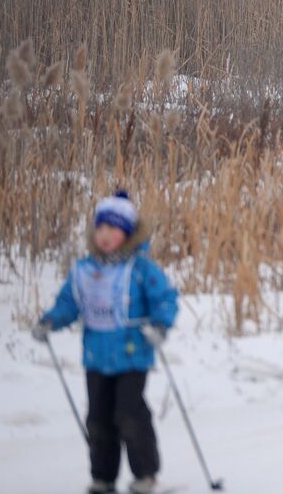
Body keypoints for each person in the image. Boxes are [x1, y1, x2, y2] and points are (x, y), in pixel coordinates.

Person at [31, 192, 178, 494]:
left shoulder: (140, 269)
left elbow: (165, 298)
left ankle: (146, 474)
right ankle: (103, 477)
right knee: (98, 418)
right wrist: (49, 321)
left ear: (128, 232)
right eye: (100, 229)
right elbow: (69, 303)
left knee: (128, 413)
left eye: (113, 229)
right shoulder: (84, 270)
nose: (105, 235)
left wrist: (160, 326)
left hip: (132, 354)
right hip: (96, 356)